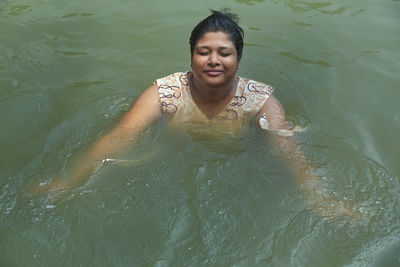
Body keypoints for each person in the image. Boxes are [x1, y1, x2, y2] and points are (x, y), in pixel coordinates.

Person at [31, 9, 354, 218]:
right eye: (204, 52)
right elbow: (120, 137)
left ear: (238, 61)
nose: (214, 59)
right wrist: (69, 181)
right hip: (171, 168)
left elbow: (289, 152)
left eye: (224, 53)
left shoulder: (260, 100)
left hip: (240, 171)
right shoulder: (165, 93)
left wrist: (322, 200)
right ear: (191, 57)